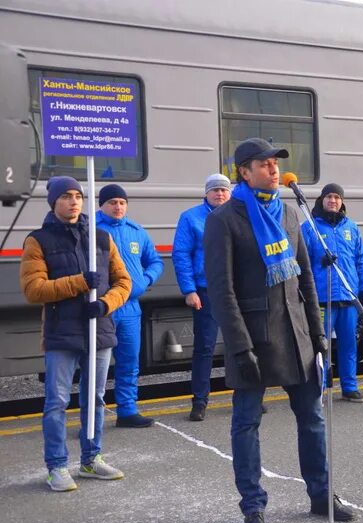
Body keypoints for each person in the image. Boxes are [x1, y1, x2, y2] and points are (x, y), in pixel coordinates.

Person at [204, 137, 355, 523]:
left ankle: (322, 493)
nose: (274, 170)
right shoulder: (223, 220)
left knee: (313, 418)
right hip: (253, 339)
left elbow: (306, 277)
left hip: (296, 336)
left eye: (275, 164)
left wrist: (319, 334)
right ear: (244, 171)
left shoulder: (290, 214)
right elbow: (222, 290)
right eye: (264, 164)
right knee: (246, 424)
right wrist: (239, 347)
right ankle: (253, 508)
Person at [20, 176, 131, 492]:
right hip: (62, 333)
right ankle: (56, 466)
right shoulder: (37, 240)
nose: (73, 201)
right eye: (66, 196)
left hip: (99, 330)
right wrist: (81, 282)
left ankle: (90, 459)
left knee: (94, 399)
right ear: (53, 202)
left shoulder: (100, 237)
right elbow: (33, 289)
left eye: (78, 196)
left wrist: (106, 304)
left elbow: (124, 282)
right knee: (56, 401)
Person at [96, 184, 164, 427]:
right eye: (112, 202)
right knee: (95, 366)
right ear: (101, 205)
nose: (118, 206)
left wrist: (145, 280)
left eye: (122, 202)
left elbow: (155, 262)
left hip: (130, 309)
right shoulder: (91, 230)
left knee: (128, 362)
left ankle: (127, 411)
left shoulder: (137, 231)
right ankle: (92, 419)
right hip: (103, 308)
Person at [301, 183, 363, 402]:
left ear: (342, 202)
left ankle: (349, 386)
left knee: (349, 345)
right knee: (320, 346)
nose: (333, 201)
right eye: (329, 196)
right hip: (322, 298)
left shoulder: (351, 227)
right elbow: (301, 262)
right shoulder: (310, 227)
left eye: (337, 197)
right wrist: (320, 264)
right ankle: (318, 387)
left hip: (348, 297)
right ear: (322, 200)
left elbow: (361, 259)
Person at [172, 173, 231, 421]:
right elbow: (181, 255)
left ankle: (246, 396)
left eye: (224, 190)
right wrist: (189, 290)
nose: (219, 194)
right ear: (206, 193)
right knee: (204, 348)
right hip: (206, 292)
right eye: (215, 190)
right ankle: (200, 401)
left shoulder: (239, 215)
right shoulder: (191, 218)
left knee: (240, 345)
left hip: (235, 291)